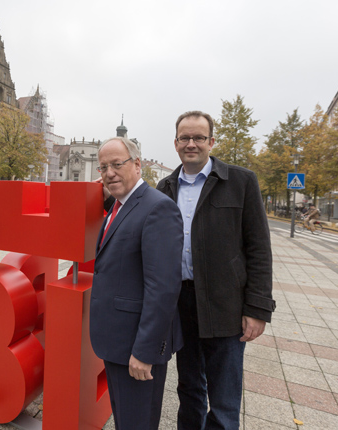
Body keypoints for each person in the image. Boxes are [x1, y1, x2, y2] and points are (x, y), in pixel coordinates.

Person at [157, 111, 276, 429]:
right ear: (176, 143)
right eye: (185, 138)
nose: (191, 143)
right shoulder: (165, 187)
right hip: (182, 306)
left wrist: (258, 308)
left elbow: (259, 250)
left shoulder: (241, 181)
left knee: (224, 401)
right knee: (190, 390)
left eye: (198, 137)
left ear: (211, 141)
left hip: (227, 306)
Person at [90, 137, 184, 429]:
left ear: (138, 165)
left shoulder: (157, 208)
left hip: (137, 349)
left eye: (117, 164)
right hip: (117, 342)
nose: (109, 173)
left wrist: (145, 352)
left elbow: (163, 289)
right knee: (126, 420)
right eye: (103, 167)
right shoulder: (119, 206)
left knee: (137, 423)